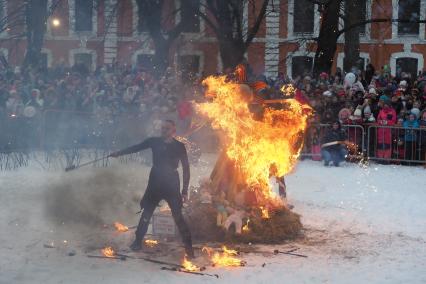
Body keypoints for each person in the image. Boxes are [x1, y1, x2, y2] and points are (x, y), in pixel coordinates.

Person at [109, 120, 194, 258]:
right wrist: (119, 153)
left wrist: (184, 191)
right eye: (162, 128)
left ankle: (189, 247)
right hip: (155, 181)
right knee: (146, 213)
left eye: (167, 128)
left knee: (178, 216)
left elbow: (186, 169)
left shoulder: (179, 146)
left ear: (173, 130)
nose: (164, 130)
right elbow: (136, 148)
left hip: (172, 183)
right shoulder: (154, 141)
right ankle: (137, 241)